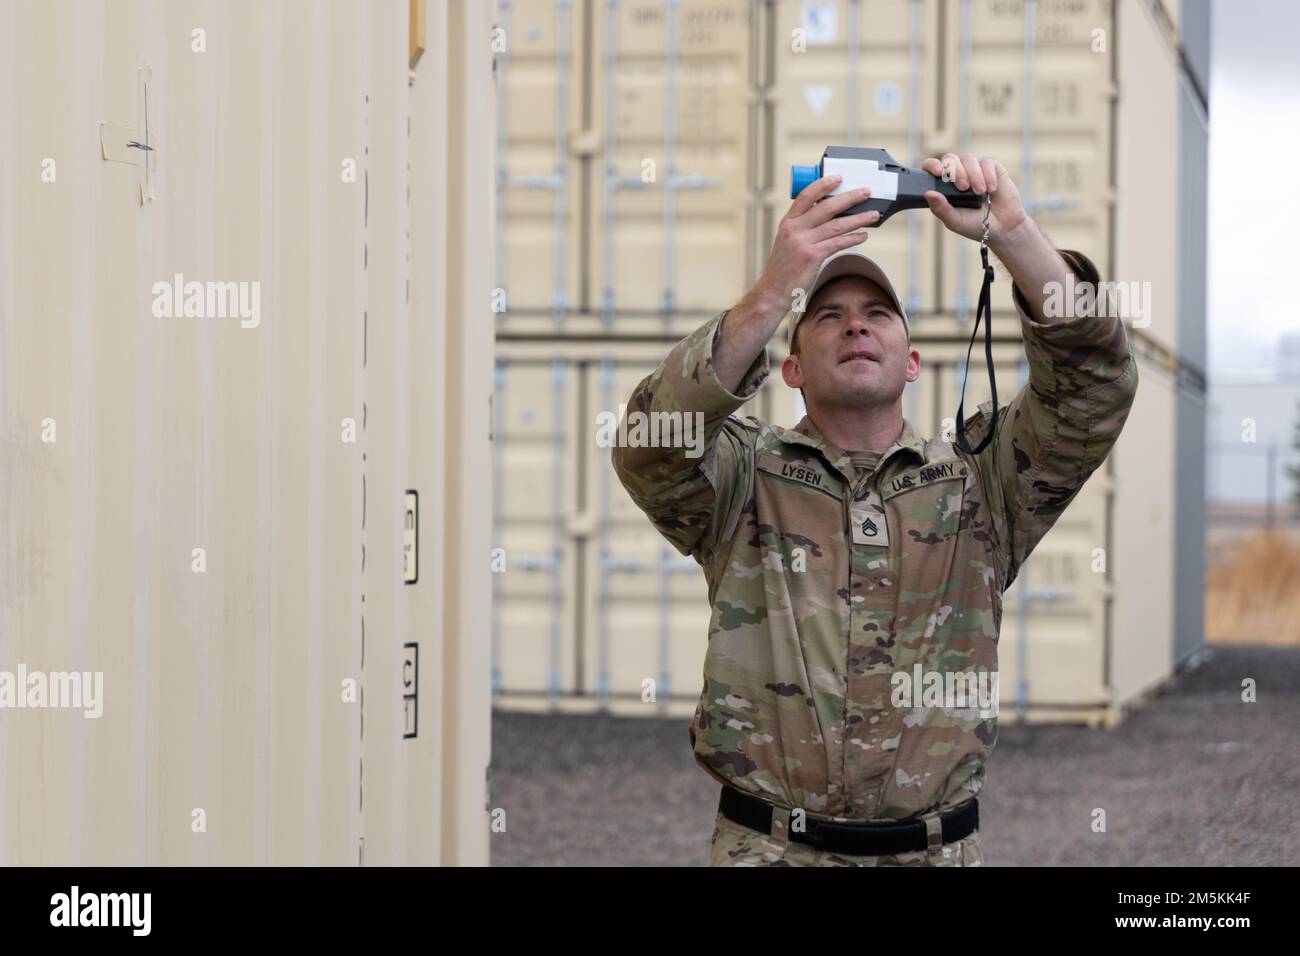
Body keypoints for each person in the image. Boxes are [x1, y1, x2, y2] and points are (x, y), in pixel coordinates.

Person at [611, 153, 1139, 866]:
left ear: (911, 360)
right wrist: (773, 292)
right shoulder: (744, 477)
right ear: (790, 368)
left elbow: (1094, 384)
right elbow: (649, 444)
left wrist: (1012, 234)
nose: (855, 327)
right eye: (826, 316)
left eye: (877, 314)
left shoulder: (983, 485)